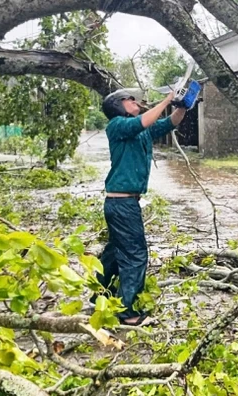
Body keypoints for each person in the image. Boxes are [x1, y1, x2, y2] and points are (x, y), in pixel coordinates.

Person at [94, 88, 187, 326]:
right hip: (122, 203)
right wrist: (167, 98)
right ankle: (128, 314)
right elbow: (144, 121)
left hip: (124, 203)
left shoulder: (142, 131)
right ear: (119, 105)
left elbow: (168, 123)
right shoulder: (116, 125)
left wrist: (182, 106)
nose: (135, 102)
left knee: (116, 251)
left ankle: (99, 295)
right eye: (130, 100)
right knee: (135, 255)